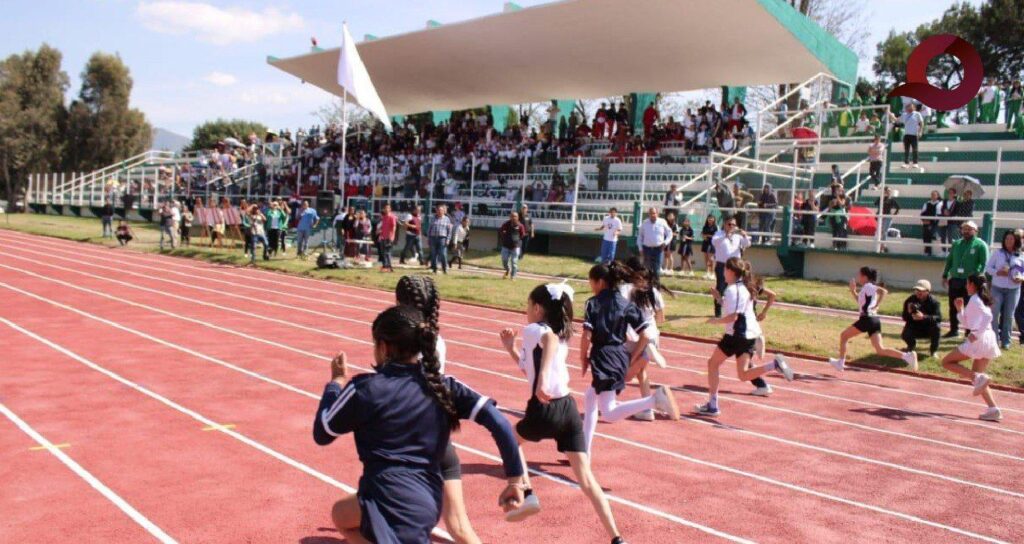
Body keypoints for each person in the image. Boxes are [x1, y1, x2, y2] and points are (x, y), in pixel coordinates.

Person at [313, 305, 529, 544]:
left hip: (382, 500)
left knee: (343, 518)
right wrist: (515, 480)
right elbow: (499, 422)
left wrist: (335, 383)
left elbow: (322, 433)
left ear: (383, 347)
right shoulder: (444, 386)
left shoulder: (364, 388)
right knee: (340, 514)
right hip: (428, 502)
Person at [499, 284, 628, 544]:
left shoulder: (536, 330)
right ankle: (617, 538)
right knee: (587, 480)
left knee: (510, 441)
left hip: (544, 408)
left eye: (527, 305)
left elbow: (548, 343)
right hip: (568, 408)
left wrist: (543, 378)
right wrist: (510, 347)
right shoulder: (562, 333)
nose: (526, 311)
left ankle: (529, 493)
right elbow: (529, 367)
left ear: (537, 308)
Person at [580, 262, 680, 456]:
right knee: (590, 397)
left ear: (600, 282)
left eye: (591, 281)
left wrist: (582, 357)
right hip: (619, 354)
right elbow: (646, 333)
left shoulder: (593, 303)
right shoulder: (626, 304)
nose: (590, 285)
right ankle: (584, 451)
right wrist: (632, 357)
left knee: (608, 412)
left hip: (604, 357)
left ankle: (653, 400)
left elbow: (586, 336)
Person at [694, 258, 794, 417]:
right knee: (743, 374)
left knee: (712, 364)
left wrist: (716, 321)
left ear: (731, 271)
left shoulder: (733, 289)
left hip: (736, 335)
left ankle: (713, 405)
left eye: (725, 270)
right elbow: (733, 308)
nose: (722, 273)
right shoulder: (744, 288)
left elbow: (733, 316)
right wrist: (718, 298)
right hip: (749, 335)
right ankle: (774, 365)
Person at [828, 266, 919, 372]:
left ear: (865, 277)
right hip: (874, 320)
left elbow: (884, 291)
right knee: (880, 349)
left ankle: (840, 363)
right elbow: (861, 302)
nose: (858, 277)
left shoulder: (868, 286)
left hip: (867, 319)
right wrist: (853, 291)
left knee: (843, 336)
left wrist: (877, 304)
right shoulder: (866, 289)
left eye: (859, 275)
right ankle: (908, 357)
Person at [940, 275, 1003, 421]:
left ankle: (977, 377)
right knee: (980, 379)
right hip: (989, 339)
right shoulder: (978, 299)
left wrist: (976, 334)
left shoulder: (975, 299)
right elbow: (968, 324)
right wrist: (959, 310)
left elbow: (988, 316)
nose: (966, 286)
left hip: (979, 339)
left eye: (967, 283)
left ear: (973, 285)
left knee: (946, 362)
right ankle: (993, 408)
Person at [620, 258, 671, 421]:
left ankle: (655, 401)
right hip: (652, 334)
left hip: (634, 337)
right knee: (642, 373)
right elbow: (661, 318)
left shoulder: (625, 289)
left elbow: (620, 313)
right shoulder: (654, 292)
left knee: (625, 377)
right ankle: (647, 410)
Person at [942, 221, 988, 338]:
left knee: (969, 306)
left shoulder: (980, 244)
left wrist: (976, 277)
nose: (966, 231)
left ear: (975, 231)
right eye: (964, 229)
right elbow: (950, 260)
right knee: (953, 305)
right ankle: (954, 330)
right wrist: (945, 274)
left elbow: (983, 264)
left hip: (970, 281)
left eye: (969, 229)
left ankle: (969, 331)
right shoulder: (956, 244)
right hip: (956, 279)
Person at [985, 230, 1024, 349]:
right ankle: (994, 340)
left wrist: (1021, 278)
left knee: (1008, 316)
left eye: (1011, 239)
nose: (1008, 241)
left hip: (1014, 290)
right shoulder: (998, 253)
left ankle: (1006, 341)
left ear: (1016, 240)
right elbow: (988, 268)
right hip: (997, 289)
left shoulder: (1021, 255)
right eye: (1006, 239)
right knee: (994, 313)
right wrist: (997, 272)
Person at [711, 217, 750, 317]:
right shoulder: (719, 234)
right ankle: (718, 310)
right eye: (729, 224)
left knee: (740, 286)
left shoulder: (737, 236)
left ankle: (739, 309)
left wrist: (745, 235)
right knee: (721, 287)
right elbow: (714, 242)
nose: (731, 226)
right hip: (722, 265)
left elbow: (747, 244)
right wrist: (726, 235)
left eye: (733, 225)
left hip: (736, 265)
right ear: (724, 224)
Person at [900, 280, 942, 359]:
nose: (918, 292)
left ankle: (933, 351)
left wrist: (923, 317)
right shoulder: (910, 300)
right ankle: (911, 346)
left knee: (937, 327)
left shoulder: (934, 302)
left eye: (921, 290)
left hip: (928, 327)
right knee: (905, 334)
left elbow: (938, 318)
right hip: (915, 327)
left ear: (927, 291)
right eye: (917, 290)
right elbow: (904, 317)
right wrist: (909, 313)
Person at [636, 207, 673, 279]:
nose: (652, 215)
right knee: (647, 270)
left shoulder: (662, 222)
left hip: (658, 249)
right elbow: (640, 237)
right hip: (647, 249)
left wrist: (665, 243)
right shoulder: (644, 223)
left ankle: (656, 286)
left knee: (656, 269)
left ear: (657, 214)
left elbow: (669, 233)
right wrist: (640, 249)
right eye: (650, 213)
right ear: (648, 214)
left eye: (654, 213)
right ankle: (648, 287)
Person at [892, 104, 924, 169]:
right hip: (906, 135)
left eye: (911, 107)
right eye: (908, 107)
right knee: (906, 150)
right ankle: (906, 163)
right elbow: (897, 120)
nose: (909, 108)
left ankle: (915, 163)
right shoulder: (904, 115)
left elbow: (922, 123)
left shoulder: (917, 114)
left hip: (914, 134)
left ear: (914, 107)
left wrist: (920, 132)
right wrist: (890, 114)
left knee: (915, 149)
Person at [499, 212, 527, 280]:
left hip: (515, 247)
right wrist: (504, 235)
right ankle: (507, 270)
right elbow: (500, 231)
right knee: (504, 260)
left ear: (517, 217)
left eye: (515, 216)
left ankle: (513, 276)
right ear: (510, 217)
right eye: (512, 216)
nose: (513, 218)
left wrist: (517, 241)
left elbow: (522, 235)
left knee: (514, 262)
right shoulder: (506, 224)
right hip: (505, 246)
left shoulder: (520, 226)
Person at [428, 205, 454, 274]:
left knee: (443, 254)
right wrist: (429, 238)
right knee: (433, 254)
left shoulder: (447, 219)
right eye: (438, 210)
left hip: (442, 238)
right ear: (436, 211)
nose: (439, 212)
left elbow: (449, 231)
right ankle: (434, 269)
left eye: (441, 210)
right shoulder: (433, 218)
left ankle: (444, 269)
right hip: (433, 238)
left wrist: (448, 240)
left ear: (443, 211)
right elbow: (429, 229)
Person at [876, 187, 901, 253]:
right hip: (881, 216)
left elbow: (898, 207)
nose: (888, 192)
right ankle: (883, 246)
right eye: (887, 191)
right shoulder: (881, 198)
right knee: (881, 231)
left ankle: (882, 246)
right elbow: (876, 203)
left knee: (884, 231)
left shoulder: (891, 200)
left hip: (887, 216)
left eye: (889, 191)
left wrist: (894, 214)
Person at [920, 191, 943, 257]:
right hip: (926, 222)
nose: (933, 196)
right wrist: (924, 220)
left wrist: (931, 222)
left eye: (934, 195)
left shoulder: (940, 203)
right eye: (932, 195)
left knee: (929, 233)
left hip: (934, 223)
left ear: (937, 196)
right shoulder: (927, 203)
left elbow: (938, 215)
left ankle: (928, 251)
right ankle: (927, 251)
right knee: (925, 235)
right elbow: (922, 213)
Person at [377, 204, 398, 272]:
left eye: (387, 208)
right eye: (385, 208)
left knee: (387, 252)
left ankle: (389, 267)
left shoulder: (392, 217)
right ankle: (385, 266)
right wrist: (380, 234)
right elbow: (383, 227)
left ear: (390, 209)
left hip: (389, 237)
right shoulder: (384, 217)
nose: (386, 209)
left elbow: (394, 227)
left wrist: (392, 237)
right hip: (383, 237)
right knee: (383, 252)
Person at [700, 215, 718, 280]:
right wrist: (703, 236)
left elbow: (715, 236)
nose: (710, 219)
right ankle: (707, 272)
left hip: (712, 243)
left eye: (711, 218)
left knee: (711, 259)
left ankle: (712, 273)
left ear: (714, 219)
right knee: (706, 258)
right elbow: (702, 233)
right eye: (709, 218)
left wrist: (707, 235)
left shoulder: (715, 227)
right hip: (705, 243)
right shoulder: (705, 226)